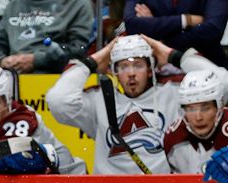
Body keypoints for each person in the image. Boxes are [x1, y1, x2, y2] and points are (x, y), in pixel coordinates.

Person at [47, 34, 228, 174]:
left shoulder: (172, 92)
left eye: (139, 65)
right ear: (114, 71)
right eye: (123, 66)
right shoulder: (99, 99)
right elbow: (58, 101)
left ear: (151, 69)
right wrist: (91, 62)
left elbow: (223, 82)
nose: (131, 73)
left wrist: (172, 55)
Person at [0, 0, 94, 74]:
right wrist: (2, 61)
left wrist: (37, 60)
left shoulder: (77, 4)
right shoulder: (14, 4)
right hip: (11, 79)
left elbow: (79, 49)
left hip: (56, 78)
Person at [123, 0, 228, 68]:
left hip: (206, 65)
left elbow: (213, 29)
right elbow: (132, 24)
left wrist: (161, 42)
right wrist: (186, 20)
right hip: (155, 73)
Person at [164, 70, 228, 173]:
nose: (198, 117)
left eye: (205, 108)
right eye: (191, 109)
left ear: (219, 107)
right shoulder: (174, 140)